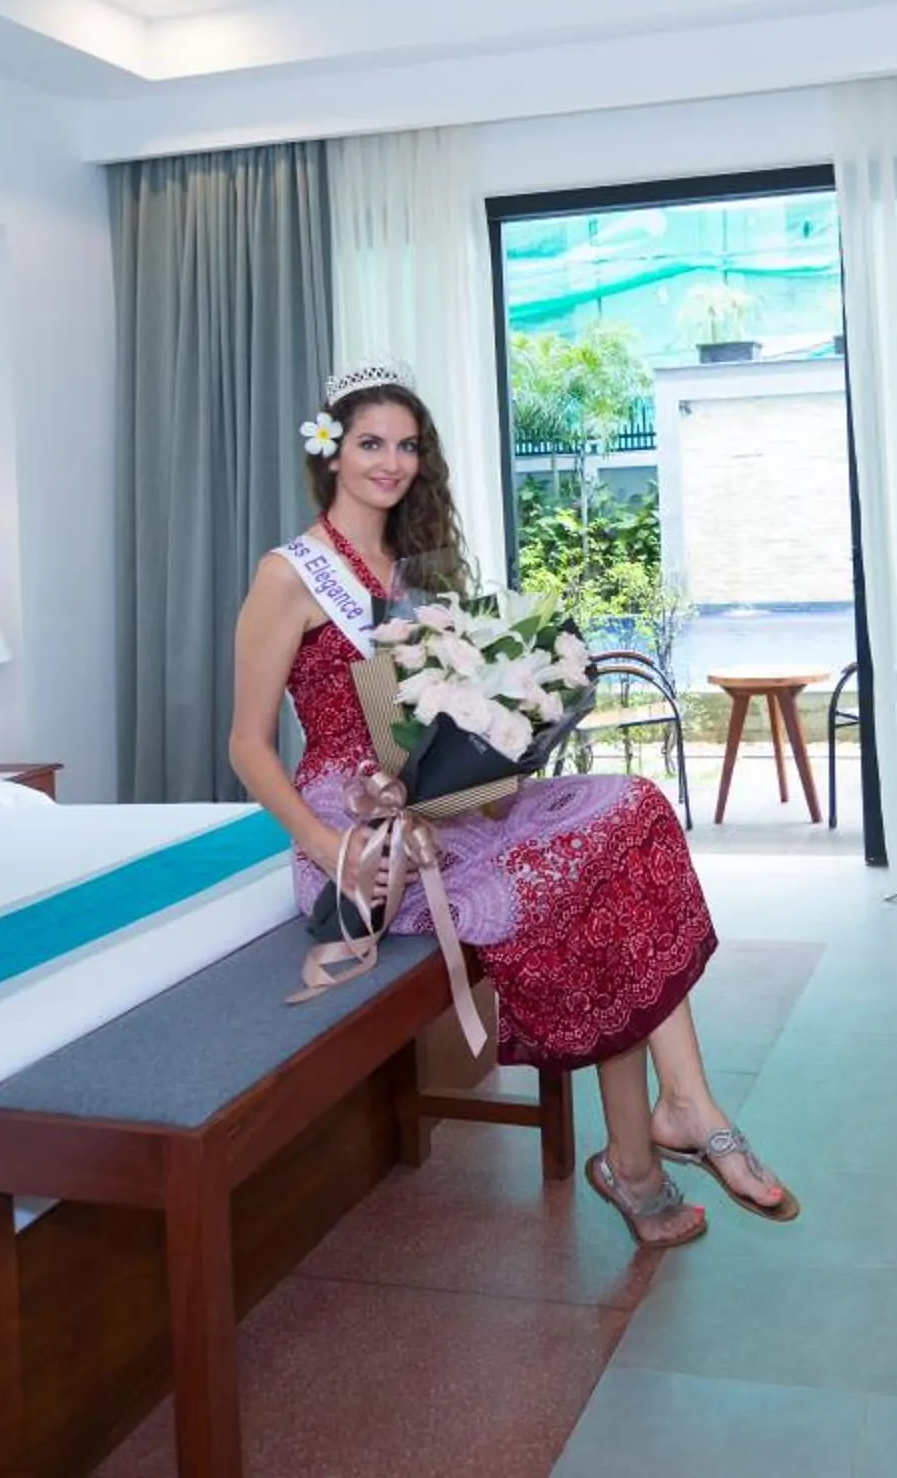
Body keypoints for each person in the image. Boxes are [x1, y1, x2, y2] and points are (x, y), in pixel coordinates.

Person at [227, 361, 794, 1248]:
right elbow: (247, 747)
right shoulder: (288, 575)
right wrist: (328, 848)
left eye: (407, 445)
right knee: (591, 876)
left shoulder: (418, 567)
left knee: (632, 811)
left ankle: (676, 1110)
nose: (391, 462)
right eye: (371, 443)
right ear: (332, 452)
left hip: (450, 805)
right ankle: (645, 1154)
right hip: (363, 832)